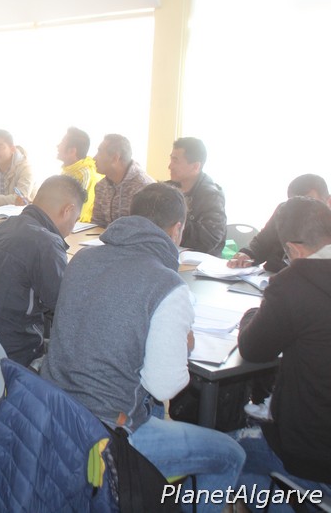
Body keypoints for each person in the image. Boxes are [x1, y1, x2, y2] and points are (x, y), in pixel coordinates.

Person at [41, 183, 245, 512]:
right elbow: (164, 386)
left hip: (55, 411)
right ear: (177, 229)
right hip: (108, 432)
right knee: (231, 455)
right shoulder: (168, 285)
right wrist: (182, 344)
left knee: (150, 408)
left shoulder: (83, 258)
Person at [231, 197, 331, 511]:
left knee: (224, 452)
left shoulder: (293, 283)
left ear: (294, 250)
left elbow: (253, 349)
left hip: (310, 451)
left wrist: (251, 315)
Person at [0, 175, 86, 366]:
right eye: (75, 219)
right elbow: (66, 308)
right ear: (67, 210)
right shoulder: (46, 244)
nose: (72, 227)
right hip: (10, 359)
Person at [228, 173, 330, 272]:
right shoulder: (285, 211)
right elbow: (262, 242)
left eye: (310, 202)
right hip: (273, 275)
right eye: (294, 202)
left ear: (328, 201)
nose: (300, 208)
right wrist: (247, 254)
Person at [165, 137, 227, 256]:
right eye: (171, 159)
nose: (170, 166)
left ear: (195, 167)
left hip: (199, 261)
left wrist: (173, 225)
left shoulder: (211, 195)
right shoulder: (167, 189)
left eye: (175, 161)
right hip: (170, 254)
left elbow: (210, 238)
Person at [90, 133, 154, 227]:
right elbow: (97, 225)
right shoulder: (101, 186)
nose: (94, 158)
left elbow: (145, 230)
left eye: (99, 152)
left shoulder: (144, 188)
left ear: (115, 158)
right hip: (106, 237)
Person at [57, 126, 102, 222]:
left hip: (79, 227)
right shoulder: (68, 170)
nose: (57, 146)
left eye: (62, 143)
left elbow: (78, 213)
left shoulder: (86, 175)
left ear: (72, 151)